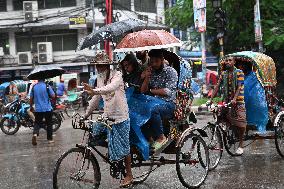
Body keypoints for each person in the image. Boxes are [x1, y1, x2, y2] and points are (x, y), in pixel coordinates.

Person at [83, 52, 133, 188]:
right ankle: (112, 148)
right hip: (106, 116)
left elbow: (109, 88)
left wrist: (94, 90)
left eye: (101, 65)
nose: (99, 68)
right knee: (94, 133)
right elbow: (96, 98)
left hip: (120, 117)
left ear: (106, 65)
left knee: (124, 147)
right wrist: (86, 115)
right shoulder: (99, 78)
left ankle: (129, 174)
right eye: (97, 66)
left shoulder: (117, 75)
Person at [140, 49, 178, 151]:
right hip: (153, 102)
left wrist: (151, 91)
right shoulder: (151, 71)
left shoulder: (170, 71)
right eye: (152, 61)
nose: (154, 64)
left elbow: (167, 91)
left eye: (156, 61)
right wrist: (147, 78)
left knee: (153, 109)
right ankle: (149, 138)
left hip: (169, 104)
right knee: (138, 110)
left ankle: (161, 137)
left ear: (162, 60)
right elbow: (143, 91)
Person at [209, 56, 246, 155]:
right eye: (226, 60)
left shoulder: (239, 72)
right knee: (219, 116)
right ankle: (225, 130)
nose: (228, 62)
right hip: (226, 100)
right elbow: (217, 86)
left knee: (241, 124)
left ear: (234, 62)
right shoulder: (223, 74)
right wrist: (210, 99)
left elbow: (239, 87)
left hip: (238, 101)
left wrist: (235, 99)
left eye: (230, 60)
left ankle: (241, 144)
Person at [30, 79, 55, 145]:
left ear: (38, 79)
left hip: (38, 109)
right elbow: (53, 96)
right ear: (44, 79)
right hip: (47, 108)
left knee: (37, 122)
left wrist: (31, 107)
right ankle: (50, 139)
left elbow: (31, 98)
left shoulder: (34, 87)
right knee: (49, 123)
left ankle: (35, 134)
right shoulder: (47, 86)